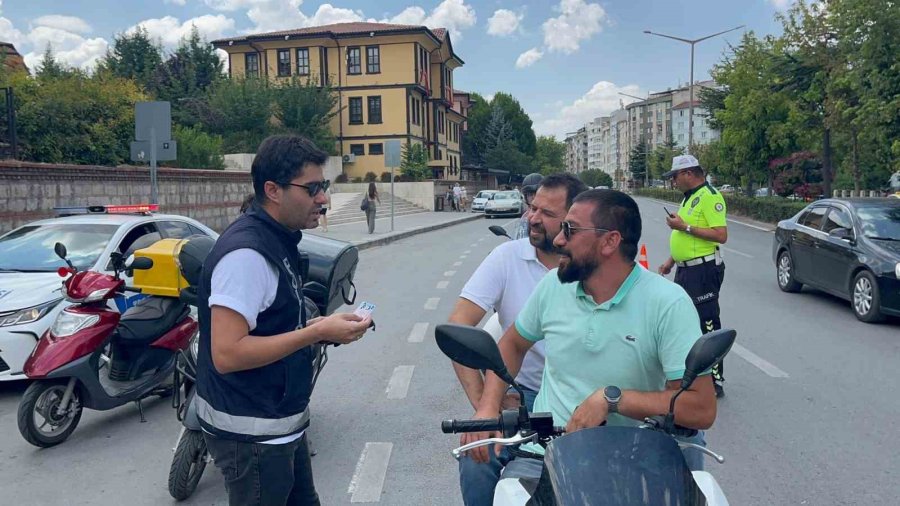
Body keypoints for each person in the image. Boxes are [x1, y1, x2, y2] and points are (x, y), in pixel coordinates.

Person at [468, 190, 717, 493]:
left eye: (570, 230)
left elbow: (701, 408)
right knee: (490, 481)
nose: (558, 240)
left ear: (610, 241)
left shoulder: (667, 303)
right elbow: (513, 344)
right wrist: (488, 406)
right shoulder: (553, 287)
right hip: (546, 457)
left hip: (638, 460)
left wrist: (612, 400)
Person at [196, 135, 373, 506]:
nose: (323, 198)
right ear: (273, 191)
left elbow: (270, 324)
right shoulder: (247, 255)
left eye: (322, 186)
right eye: (312, 189)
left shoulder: (280, 239)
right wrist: (316, 333)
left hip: (281, 425)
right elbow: (227, 353)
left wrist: (318, 327)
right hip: (253, 436)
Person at [449, 173, 588, 506]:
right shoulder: (506, 258)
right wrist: (487, 407)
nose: (532, 218)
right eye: (532, 207)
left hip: (585, 396)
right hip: (521, 399)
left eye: (546, 214)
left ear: (574, 222)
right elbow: (459, 329)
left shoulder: (594, 266)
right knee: (476, 458)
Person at [656, 155, 729, 398]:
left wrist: (684, 227)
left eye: (674, 176)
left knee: (707, 324)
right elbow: (686, 240)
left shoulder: (710, 197)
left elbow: (720, 235)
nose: (673, 182)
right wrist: (670, 261)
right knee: (683, 321)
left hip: (703, 270)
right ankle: (688, 375)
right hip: (685, 269)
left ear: (688, 173)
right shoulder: (689, 199)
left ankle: (716, 380)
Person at [515, 173, 544, 240]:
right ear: (525, 197)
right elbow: (520, 239)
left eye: (536, 193)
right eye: (530, 194)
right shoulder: (525, 217)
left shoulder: (549, 214)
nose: (534, 197)